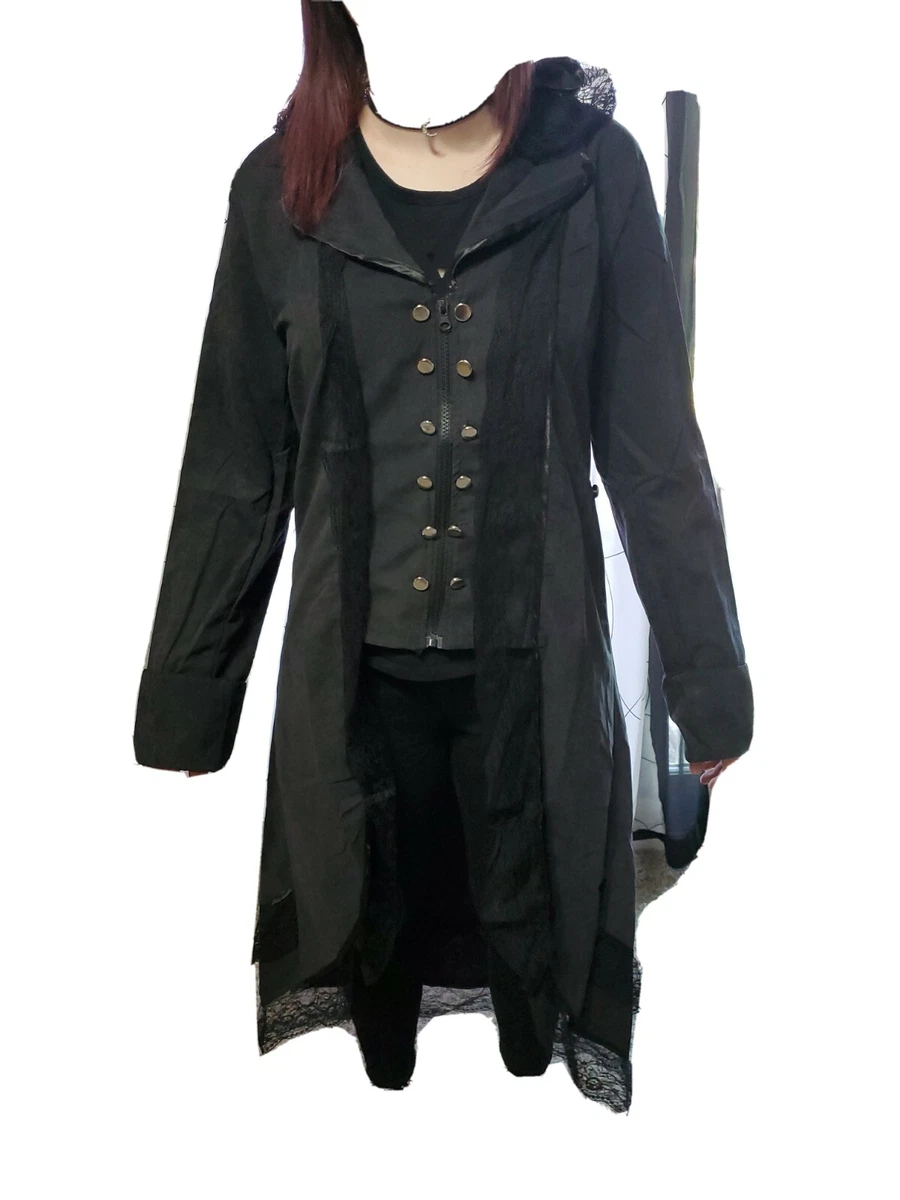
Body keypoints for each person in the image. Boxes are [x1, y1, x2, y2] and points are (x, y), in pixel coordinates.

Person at [133, 1, 753, 1110]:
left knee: (532, 1000)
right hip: (352, 683)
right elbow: (237, 458)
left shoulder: (592, 172)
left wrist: (708, 686)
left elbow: (656, 448)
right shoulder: (281, 190)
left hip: (539, 675)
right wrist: (192, 691)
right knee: (377, 988)